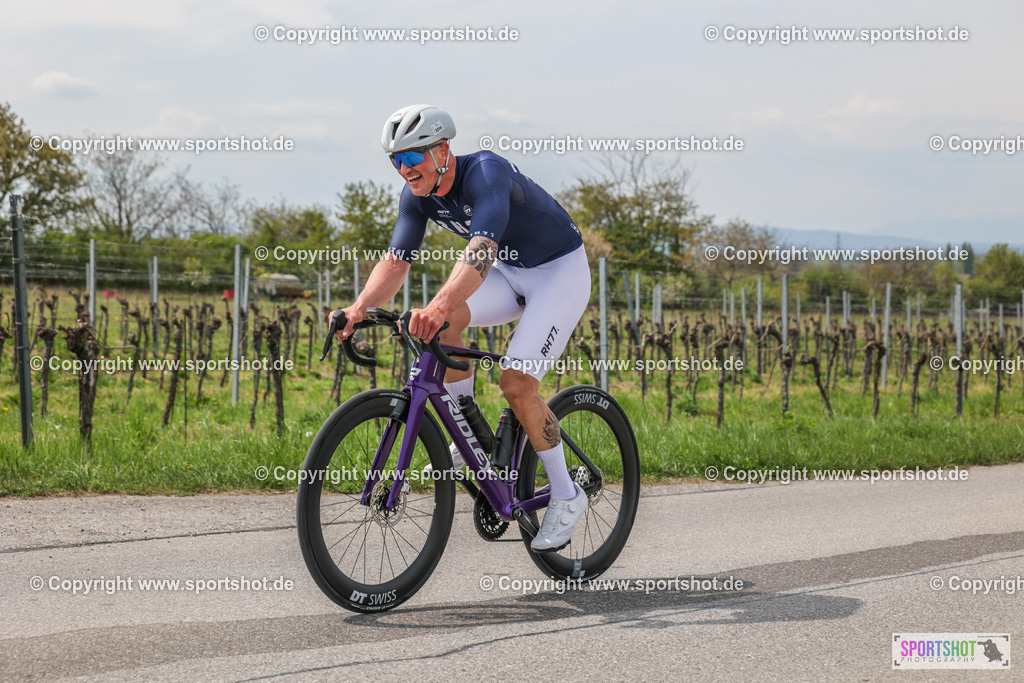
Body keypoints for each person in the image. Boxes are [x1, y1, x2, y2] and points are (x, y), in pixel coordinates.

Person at [333, 104, 591, 551]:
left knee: (515, 383)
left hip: (557, 273)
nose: (404, 170)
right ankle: (469, 431)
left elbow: (481, 250)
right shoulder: (416, 196)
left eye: (412, 158)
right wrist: (358, 307)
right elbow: (396, 263)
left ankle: (567, 495)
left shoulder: (485, 173)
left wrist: (438, 303)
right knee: (438, 324)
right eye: (395, 161)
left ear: (442, 151)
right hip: (510, 273)